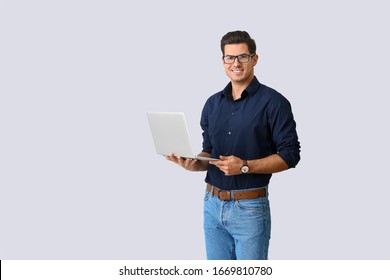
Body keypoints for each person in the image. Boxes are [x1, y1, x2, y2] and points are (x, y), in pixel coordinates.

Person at [166, 30, 300, 260]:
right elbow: (209, 151)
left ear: (254, 59)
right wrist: (194, 164)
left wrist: (245, 166)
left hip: (249, 209)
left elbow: (290, 155)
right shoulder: (212, 103)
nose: (235, 63)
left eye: (242, 57)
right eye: (230, 57)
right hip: (211, 206)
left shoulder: (274, 102)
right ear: (222, 61)